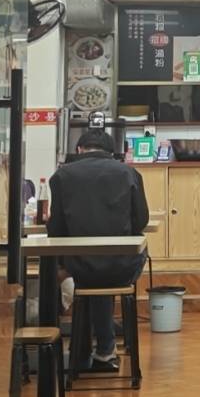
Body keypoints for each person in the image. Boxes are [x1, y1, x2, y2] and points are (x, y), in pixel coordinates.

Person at [47, 127, 149, 372]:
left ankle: (83, 351)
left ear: (79, 149)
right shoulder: (129, 173)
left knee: (86, 274)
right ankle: (103, 349)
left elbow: (56, 228)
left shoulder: (61, 176)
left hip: (79, 266)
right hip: (122, 266)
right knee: (105, 267)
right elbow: (141, 220)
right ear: (112, 152)